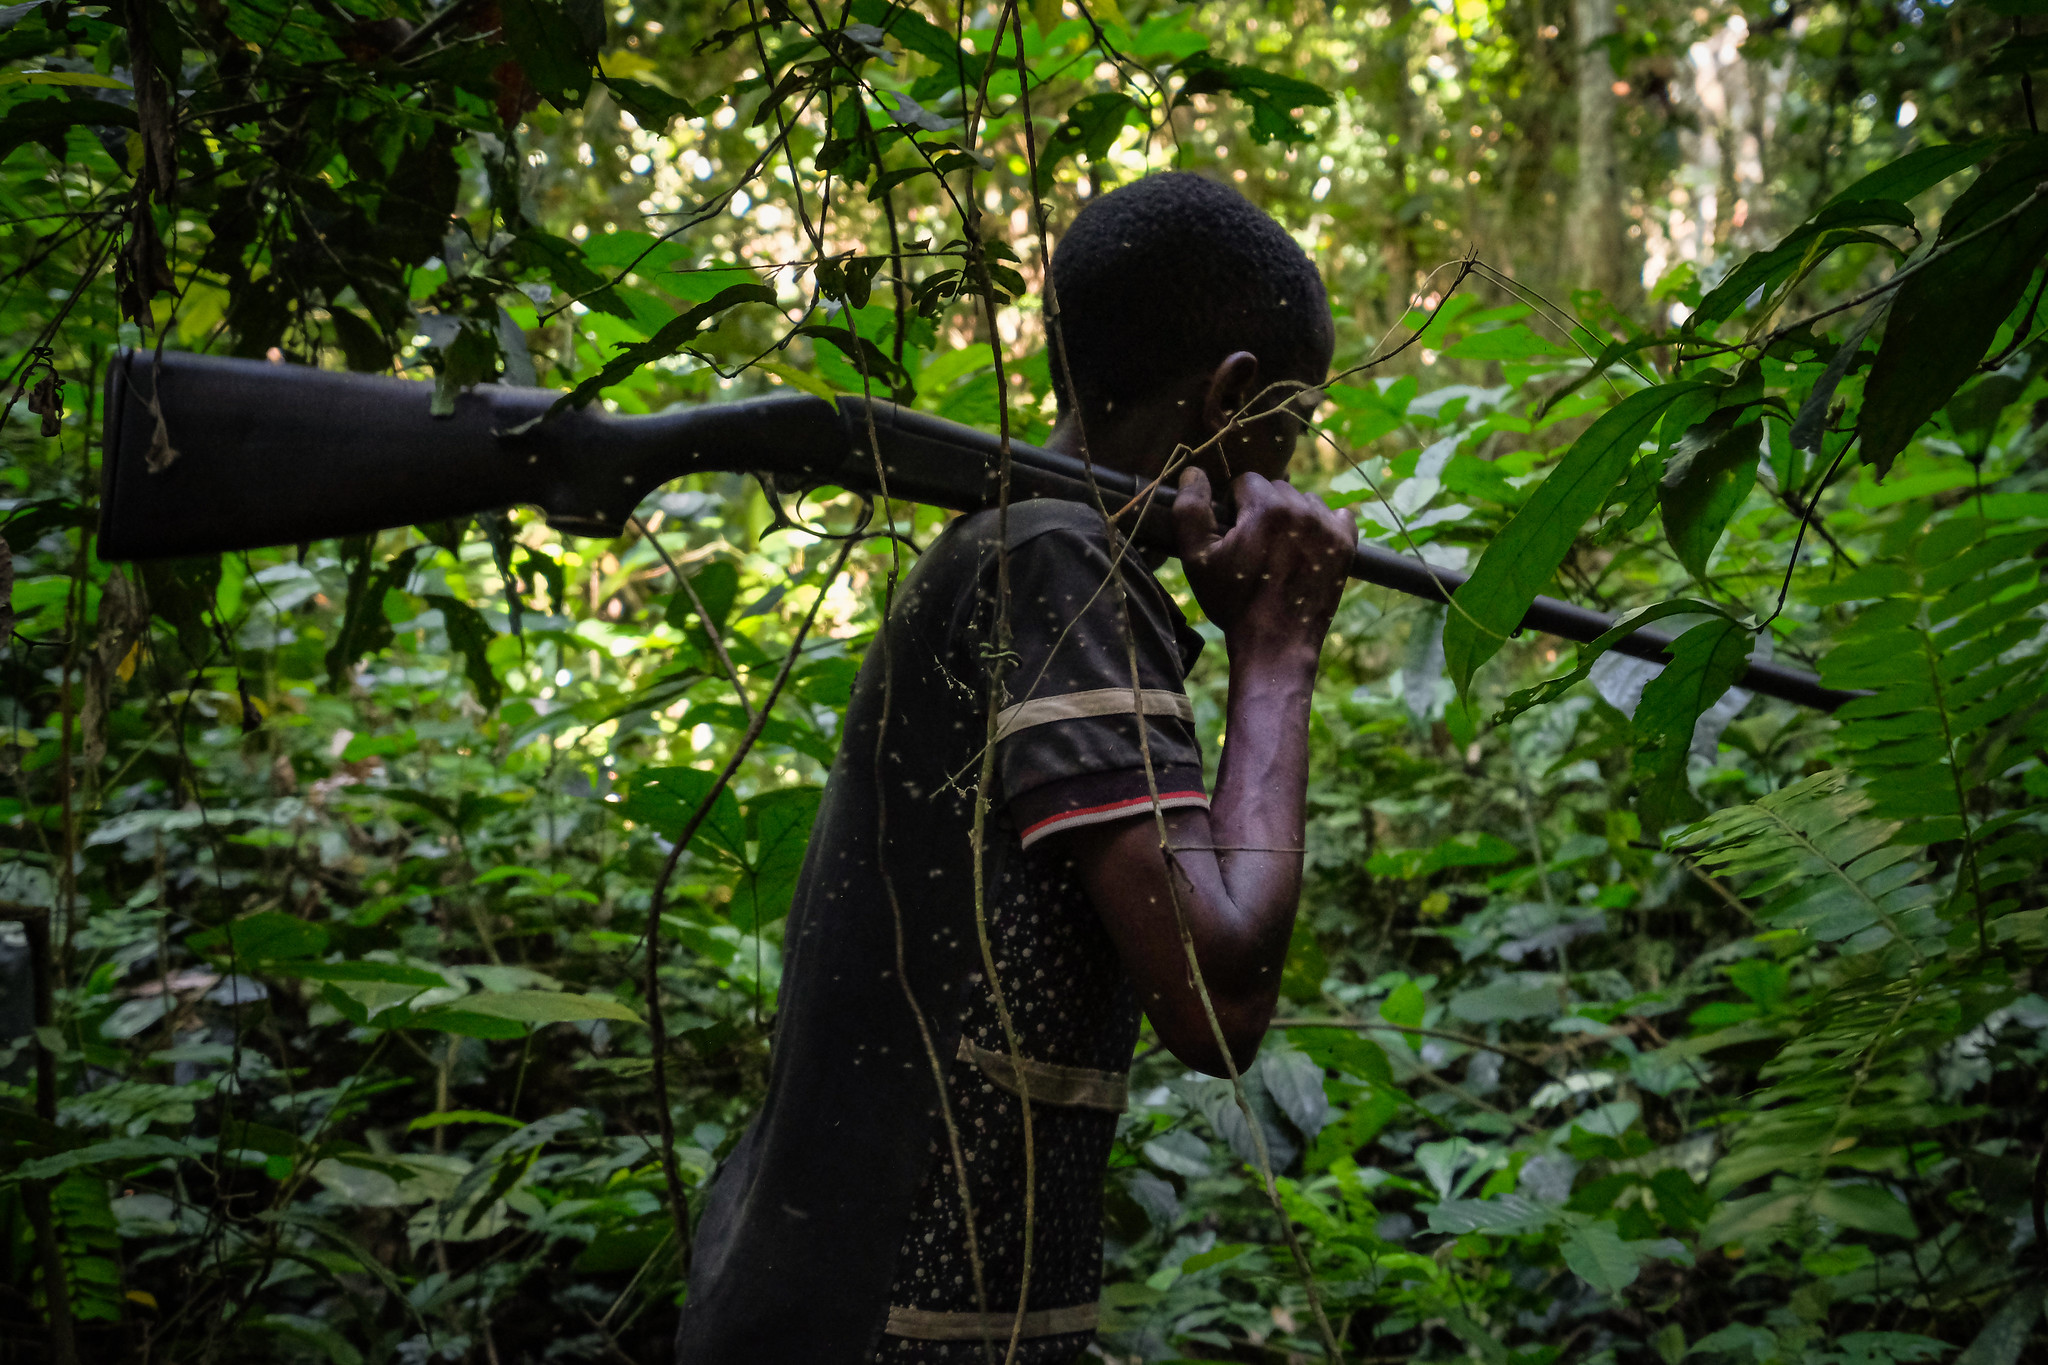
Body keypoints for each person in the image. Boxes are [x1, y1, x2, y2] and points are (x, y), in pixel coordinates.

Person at [673, 171, 1357, 1362]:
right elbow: (1218, 995)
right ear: (1229, 396)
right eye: (1283, 437)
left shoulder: (1016, 542)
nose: (1285, 479)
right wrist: (1277, 654)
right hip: (883, 1324)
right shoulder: (1053, 560)